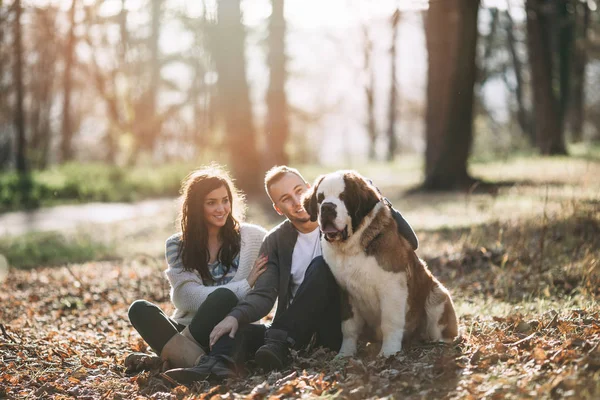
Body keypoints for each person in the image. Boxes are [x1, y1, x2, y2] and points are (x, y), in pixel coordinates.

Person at [165, 166, 419, 382]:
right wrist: (234, 316)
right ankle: (215, 366)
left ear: (311, 190)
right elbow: (264, 294)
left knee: (321, 266)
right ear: (277, 208)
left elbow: (410, 242)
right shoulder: (275, 241)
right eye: (286, 198)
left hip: (333, 326)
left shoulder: (347, 225)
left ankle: (277, 342)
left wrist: (378, 199)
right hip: (292, 333)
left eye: (300, 192)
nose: (297, 202)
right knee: (237, 328)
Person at [126, 165, 267, 372]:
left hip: (232, 327)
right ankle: (207, 364)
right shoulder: (177, 244)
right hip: (188, 326)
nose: (221, 209)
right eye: (212, 203)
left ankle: (180, 357)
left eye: (225, 200)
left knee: (227, 302)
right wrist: (244, 286)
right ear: (196, 206)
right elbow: (186, 297)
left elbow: (283, 259)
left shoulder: (253, 237)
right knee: (139, 309)